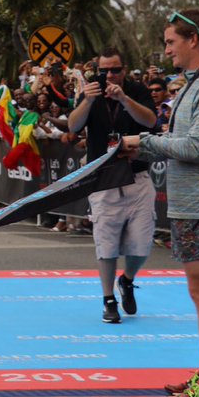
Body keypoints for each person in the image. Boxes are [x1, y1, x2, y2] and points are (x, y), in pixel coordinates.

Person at [122, 9, 199, 397]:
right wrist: (153, 140)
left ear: (194, 39)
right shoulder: (197, 84)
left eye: (171, 41)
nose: (166, 49)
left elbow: (195, 147)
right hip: (195, 202)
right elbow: (184, 139)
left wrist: (145, 142)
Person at [67, 48, 158, 324]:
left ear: (124, 69)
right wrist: (88, 100)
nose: (109, 75)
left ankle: (127, 280)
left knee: (141, 245)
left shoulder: (136, 90)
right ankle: (108, 300)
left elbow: (151, 122)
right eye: (104, 70)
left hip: (137, 175)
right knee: (106, 244)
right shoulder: (91, 91)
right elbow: (73, 125)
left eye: (115, 70)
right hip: (104, 178)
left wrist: (124, 98)